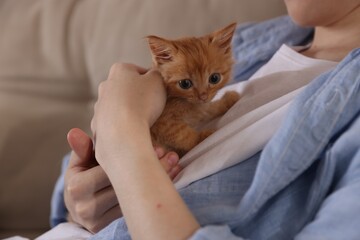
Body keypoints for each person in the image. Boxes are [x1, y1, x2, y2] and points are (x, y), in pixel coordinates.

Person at [51, 0, 360, 239]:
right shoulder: (249, 44)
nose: (203, 92)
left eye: (213, 80)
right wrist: (78, 199)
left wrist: (123, 138)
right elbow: (75, 187)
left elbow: (122, 140)